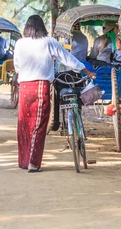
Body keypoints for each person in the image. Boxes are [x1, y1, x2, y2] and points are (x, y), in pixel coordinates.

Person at [14, 15, 96, 172]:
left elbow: (17, 66)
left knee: (24, 124)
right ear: (42, 27)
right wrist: (86, 71)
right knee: (39, 125)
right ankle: (33, 163)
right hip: (40, 86)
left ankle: (23, 161)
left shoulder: (19, 43)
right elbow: (68, 59)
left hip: (24, 87)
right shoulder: (48, 41)